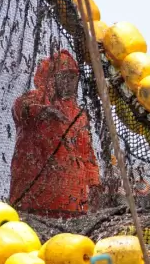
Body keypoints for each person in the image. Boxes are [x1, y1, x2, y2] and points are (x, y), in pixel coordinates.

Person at [9, 49, 100, 218]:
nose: (69, 83)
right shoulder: (33, 99)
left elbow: (87, 153)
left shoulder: (79, 115)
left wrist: (94, 183)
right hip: (32, 201)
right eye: (64, 77)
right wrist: (43, 111)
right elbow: (20, 110)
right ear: (51, 77)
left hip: (72, 203)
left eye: (73, 78)